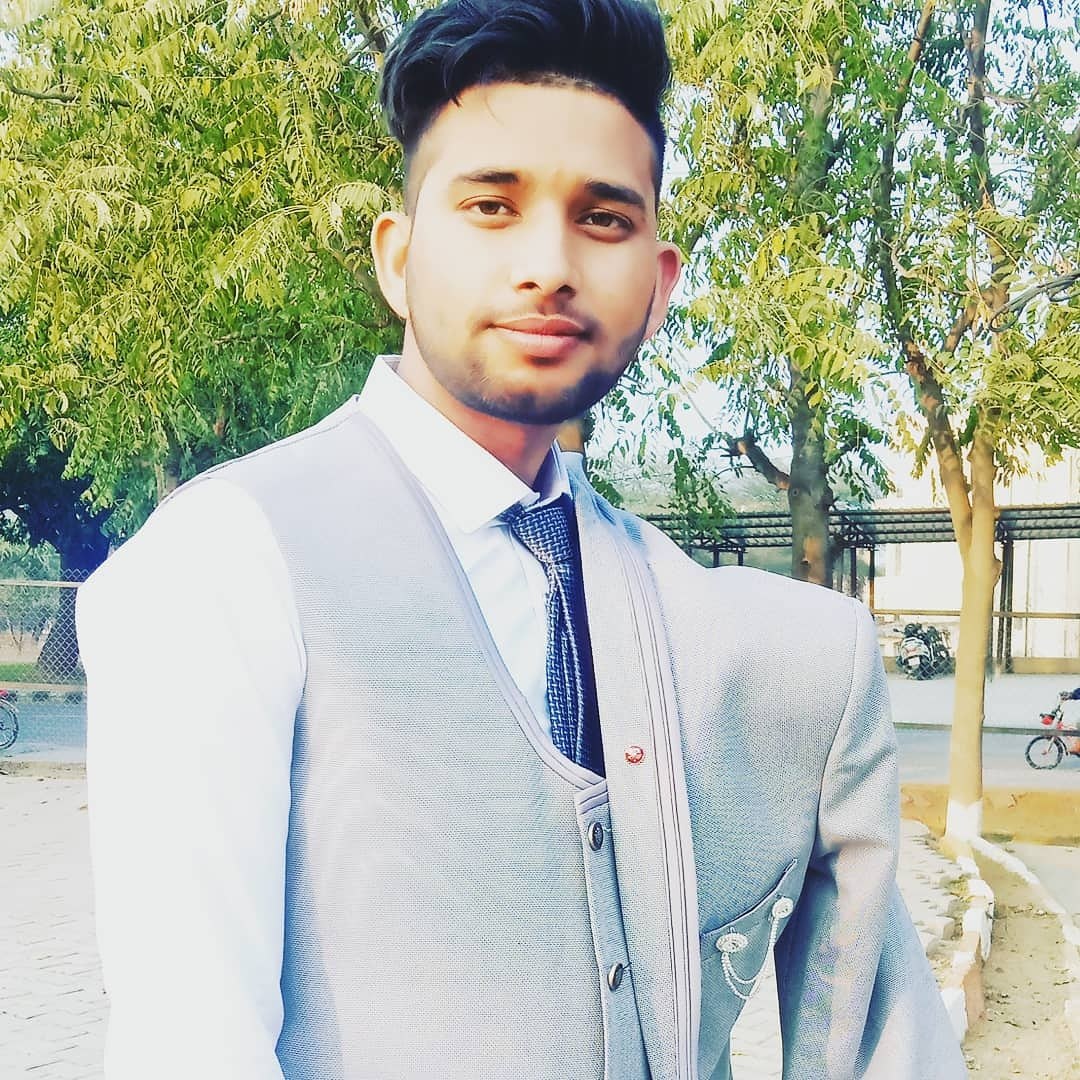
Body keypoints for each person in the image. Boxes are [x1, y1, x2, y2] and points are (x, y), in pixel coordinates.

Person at [76, 1, 967, 1077]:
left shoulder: (787, 661)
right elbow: (188, 1044)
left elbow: (879, 1043)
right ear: (398, 258)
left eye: (603, 219)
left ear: (659, 285)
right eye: (491, 206)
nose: (548, 263)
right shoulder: (226, 563)